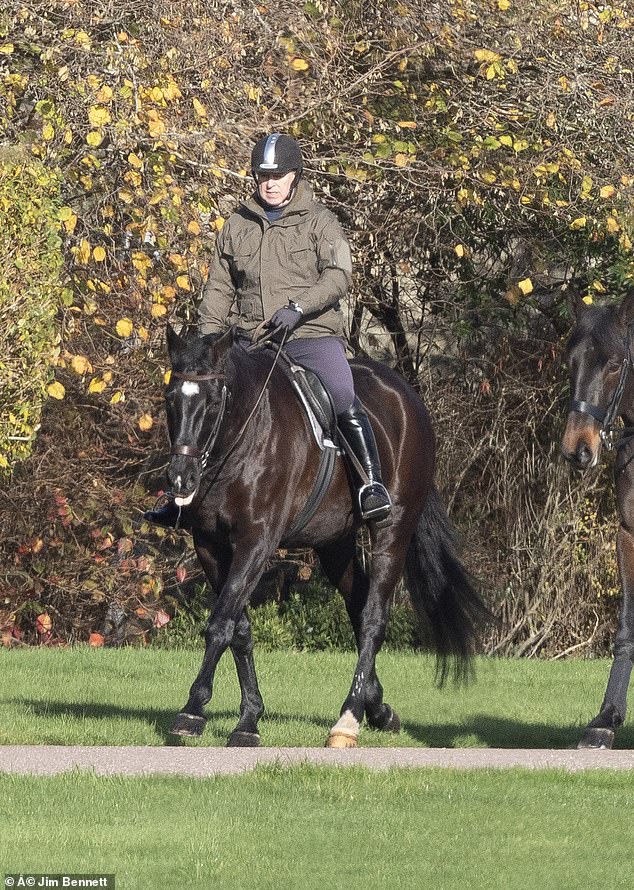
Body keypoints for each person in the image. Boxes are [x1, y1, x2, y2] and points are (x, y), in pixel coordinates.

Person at [145, 133, 391, 527]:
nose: (270, 183)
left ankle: (371, 485)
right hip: (249, 341)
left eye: (278, 176)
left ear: (295, 175)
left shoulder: (320, 222)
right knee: (205, 400)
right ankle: (181, 496)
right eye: (262, 176)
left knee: (343, 391)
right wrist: (209, 343)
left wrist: (299, 308)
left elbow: (339, 275)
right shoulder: (237, 224)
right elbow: (219, 288)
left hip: (309, 337)